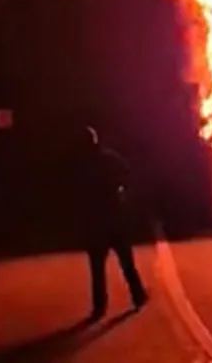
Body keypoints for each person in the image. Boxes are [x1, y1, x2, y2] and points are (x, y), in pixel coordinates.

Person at [72, 123, 148, 320]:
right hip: (115, 219)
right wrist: (122, 193)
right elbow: (128, 175)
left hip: (96, 222)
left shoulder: (81, 165)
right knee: (126, 262)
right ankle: (138, 295)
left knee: (97, 268)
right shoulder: (109, 158)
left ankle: (99, 307)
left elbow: (75, 194)